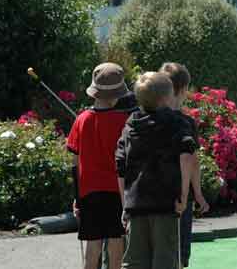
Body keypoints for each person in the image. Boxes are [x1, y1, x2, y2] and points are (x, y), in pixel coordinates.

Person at [116, 72, 197, 269]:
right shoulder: (177, 122)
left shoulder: (131, 125)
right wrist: (184, 195)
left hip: (136, 203)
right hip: (166, 202)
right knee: (165, 260)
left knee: (134, 261)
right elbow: (186, 156)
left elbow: (120, 167)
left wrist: (124, 204)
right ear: (167, 97)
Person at [66, 62, 132, 269]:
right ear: (118, 94)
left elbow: (74, 161)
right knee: (116, 241)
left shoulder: (81, 120)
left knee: (92, 244)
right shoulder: (125, 120)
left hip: (89, 190)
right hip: (116, 190)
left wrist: (76, 197)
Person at [158, 62, 209, 268]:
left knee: (157, 251)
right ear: (184, 89)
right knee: (178, 253)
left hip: (151, 192)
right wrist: (196, 194)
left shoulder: (144, 119)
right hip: (179, 194)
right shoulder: (185, 122)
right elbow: (191, 161)